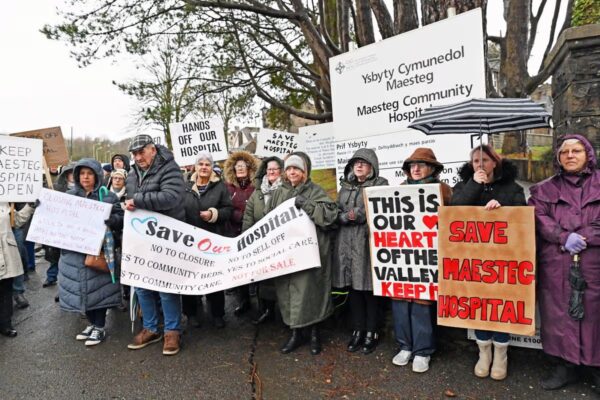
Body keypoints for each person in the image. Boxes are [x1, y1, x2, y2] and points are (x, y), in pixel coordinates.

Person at [528, 134, 600, 392]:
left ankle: (595, 367)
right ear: (558, 158)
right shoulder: (543, 189)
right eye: (565, 152)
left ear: (587, 154)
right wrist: (562, 236)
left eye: (577, 150)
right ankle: (565, 366)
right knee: (558, 312)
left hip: (593, 262)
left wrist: (585, 237)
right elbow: (537, 216)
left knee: (593, 314)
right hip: (557, 262)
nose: (570, 155)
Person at [451, 144, 525, 380]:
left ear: (495, 162)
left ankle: (501, 355)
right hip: (472, 259)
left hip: (503, 260)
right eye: (475, 161)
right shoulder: (463, 186)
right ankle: (484, 353)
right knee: (479, 305)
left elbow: (522, 216)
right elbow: (454, 211)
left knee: (501, 306)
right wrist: (475, 185)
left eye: (485, 160)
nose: (480, 165)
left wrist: (502, 209)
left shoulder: (512, 188)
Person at [267, 152, 338, 355]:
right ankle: (296, 333)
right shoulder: (279, 193)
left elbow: (329, 217)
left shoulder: (316, 191)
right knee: (289, 293)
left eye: (296, 169)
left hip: (310, 253)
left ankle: (315, 334)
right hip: (288, 253)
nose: (292, 172)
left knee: (311, 292)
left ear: (304, 171)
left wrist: (306, 204)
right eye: (289, 169)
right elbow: (269, 220)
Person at [390, 148, 452, 373]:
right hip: (401, 257)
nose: (415, 169)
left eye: (421, 165)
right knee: (400, 301)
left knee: (422, 304)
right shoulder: (398, 191)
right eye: (411, 165)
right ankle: (405, 346)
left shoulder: (444, 191)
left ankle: (423, 350)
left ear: (432, 168)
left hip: (428, 258)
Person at [124, 134, 185, 355]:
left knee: (165, 286)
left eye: (141, 152)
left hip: (166, 238)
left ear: (153, 150)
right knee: (141, 284)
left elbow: (171, 197)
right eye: (134, 154)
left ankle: (172, 331)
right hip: (141, 238)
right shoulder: (132, 174)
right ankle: (150, 328)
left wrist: (138, 200)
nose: (138, 157)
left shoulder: (170, 168)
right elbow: (130, 200)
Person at [57, 158, 123, 346]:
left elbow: (121, 217)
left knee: (98, 290)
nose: (85, 177)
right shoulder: (68, 197)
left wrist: (113, 221)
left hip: (97, 252)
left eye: (90, 173)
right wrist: (41, 207)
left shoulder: (107, 196)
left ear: (97, 176)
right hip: (74, 254)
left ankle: (100, 327)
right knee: (81, 290)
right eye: (82, 173)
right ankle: (92, 324)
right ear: (77, 176)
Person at [333, 149, 388, 355]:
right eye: (356, 163)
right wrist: (342, 216)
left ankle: (371, 331)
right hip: (346, 243)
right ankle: (357, 329)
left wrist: (354, 214)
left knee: (369, 289)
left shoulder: (380, 184)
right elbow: (337, 211)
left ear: (372, 166)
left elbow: (376, 207)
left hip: (368, 242)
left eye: (363, 163)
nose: (359, 166)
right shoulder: (345, 187)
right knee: (354, 289)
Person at [182, 152, 233, 329]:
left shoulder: (220, 186)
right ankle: (191, 314)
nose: (204, 167)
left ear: (212, 168)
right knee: (189, 277)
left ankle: (218, 313)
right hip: (188, 241)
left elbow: (228, 210)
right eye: (201, 164)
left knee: (214, 278)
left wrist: (213, 214)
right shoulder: (185, 185)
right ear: (195, 166)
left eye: (207, 164)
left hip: (212, 240)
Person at [242, 156, 284, 324]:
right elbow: (248, 217)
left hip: (281, 243)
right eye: (269, 169)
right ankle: (266, 311)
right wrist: (247, 239)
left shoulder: (287, 190)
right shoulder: (257, 193)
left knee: (282, 279)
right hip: (261, 244)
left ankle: (286, 314)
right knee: (264, 280)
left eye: (275, 168)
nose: (272, 171)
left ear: (281, 171)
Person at [223, 151, 258, 316]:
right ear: (233, 169)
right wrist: (239, 216)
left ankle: (260, 301)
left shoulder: (256, 186)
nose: (241, 169)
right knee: (239, 269)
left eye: (244, 166)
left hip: (255, 233)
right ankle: (243, 301)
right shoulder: (228, 188)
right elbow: (225, 207)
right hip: (234, 233)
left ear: (249, 168)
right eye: (238, 167)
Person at [0, 203, 34, 337]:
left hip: (7, 254)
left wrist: (29, 207)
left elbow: (17, 221)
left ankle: (5, 324)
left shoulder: (4, 202)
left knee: (6, 291)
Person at [43, 163, 76, 289]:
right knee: (55, 255)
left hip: (73, 229)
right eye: (70, 173)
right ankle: (51, 277)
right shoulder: (55, 188)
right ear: (66, 174)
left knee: (69, 260)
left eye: (74, 173)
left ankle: (64, 287)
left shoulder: (82, 189)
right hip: (58, 227)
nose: (72, 176)